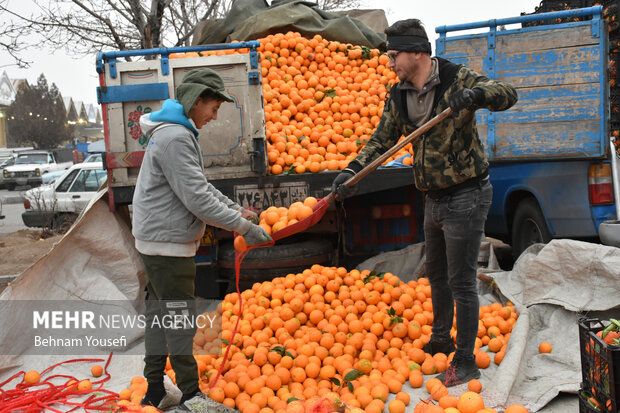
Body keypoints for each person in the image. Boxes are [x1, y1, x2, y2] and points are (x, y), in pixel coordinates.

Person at [332, 19, 517, 386]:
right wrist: (351, 169)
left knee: (461, 280)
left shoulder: (456, 79)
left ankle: (465, 360)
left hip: (466, 193)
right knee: (435, 274)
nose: (389, 62)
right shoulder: (398, 94)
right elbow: (381, 139)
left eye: (394, 54)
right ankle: (441, 337)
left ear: (417, 52)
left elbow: (507, 93)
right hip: (431, 197)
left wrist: (477, 96)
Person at [132, 68, 272, 407]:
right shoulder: (175, 138)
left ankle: (154, 389)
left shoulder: (176, 133)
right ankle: (192, 396)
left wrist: (236, 211)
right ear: (197, 101)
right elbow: (197, 200)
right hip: (167, 247)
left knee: (160, 315)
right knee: (179, 320)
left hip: (159, 242)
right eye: (213, 107)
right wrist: (244, 229)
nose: (214, 116)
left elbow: (201, 188)